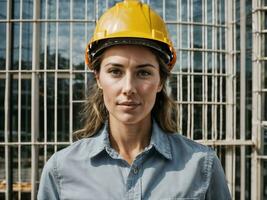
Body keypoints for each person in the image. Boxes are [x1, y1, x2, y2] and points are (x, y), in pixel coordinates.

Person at [37, 0, 231, 199]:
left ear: (161, 81)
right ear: (98, 78)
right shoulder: (62, 170)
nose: (128, 88)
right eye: (115, 71)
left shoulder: (201, 165)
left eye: (144, 73)